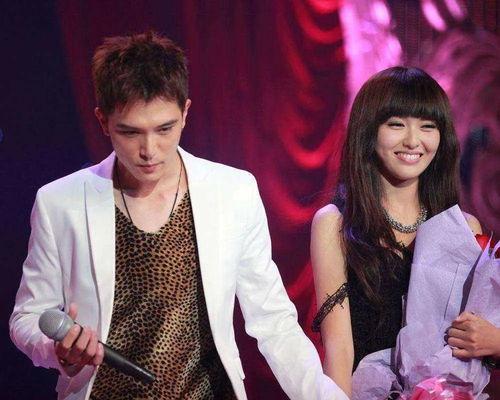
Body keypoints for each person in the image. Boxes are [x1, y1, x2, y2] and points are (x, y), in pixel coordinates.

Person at [9, 32, 347, 400]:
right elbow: (27, 317)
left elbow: (273, 321)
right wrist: (59, 349)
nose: (149, 150)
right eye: (130, 132)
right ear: (102, 121)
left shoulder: (232, 191)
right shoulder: (61, 202)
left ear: (185, 113)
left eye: (164, 129)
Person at [309, 66, 487, 397]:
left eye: (427, 126)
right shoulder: (335, 224)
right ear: (369, 130)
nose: (413, 141)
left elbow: (472, 340)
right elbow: (339, 351)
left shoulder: (464, 228)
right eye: (396, 124)